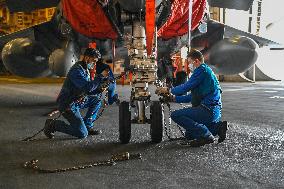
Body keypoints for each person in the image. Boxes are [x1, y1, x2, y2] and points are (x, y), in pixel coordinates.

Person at [43, 48, 118, 139]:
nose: (94, 64)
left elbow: (88, 90)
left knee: (97, 100)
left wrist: (100, 89)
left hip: (77, 100)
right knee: (82, 133)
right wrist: (101, 76)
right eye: (93, 61)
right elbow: (87, 87)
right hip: (67, 103)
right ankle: (52, 125)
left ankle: (88, 125)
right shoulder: (76, 70)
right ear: (86, 58)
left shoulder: (85, 69)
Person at [159, 49, 227, 147]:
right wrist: (173, 98)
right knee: (190, 135)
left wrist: (169, 90)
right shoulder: (206, 72)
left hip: (208, 110)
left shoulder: (201, 70)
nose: (189, 65)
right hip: (213, 111)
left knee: (176, 115)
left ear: (196, 61)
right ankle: (218, 128)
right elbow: (192, 97)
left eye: (190, 62)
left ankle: (206, 135)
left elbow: (186, 87)